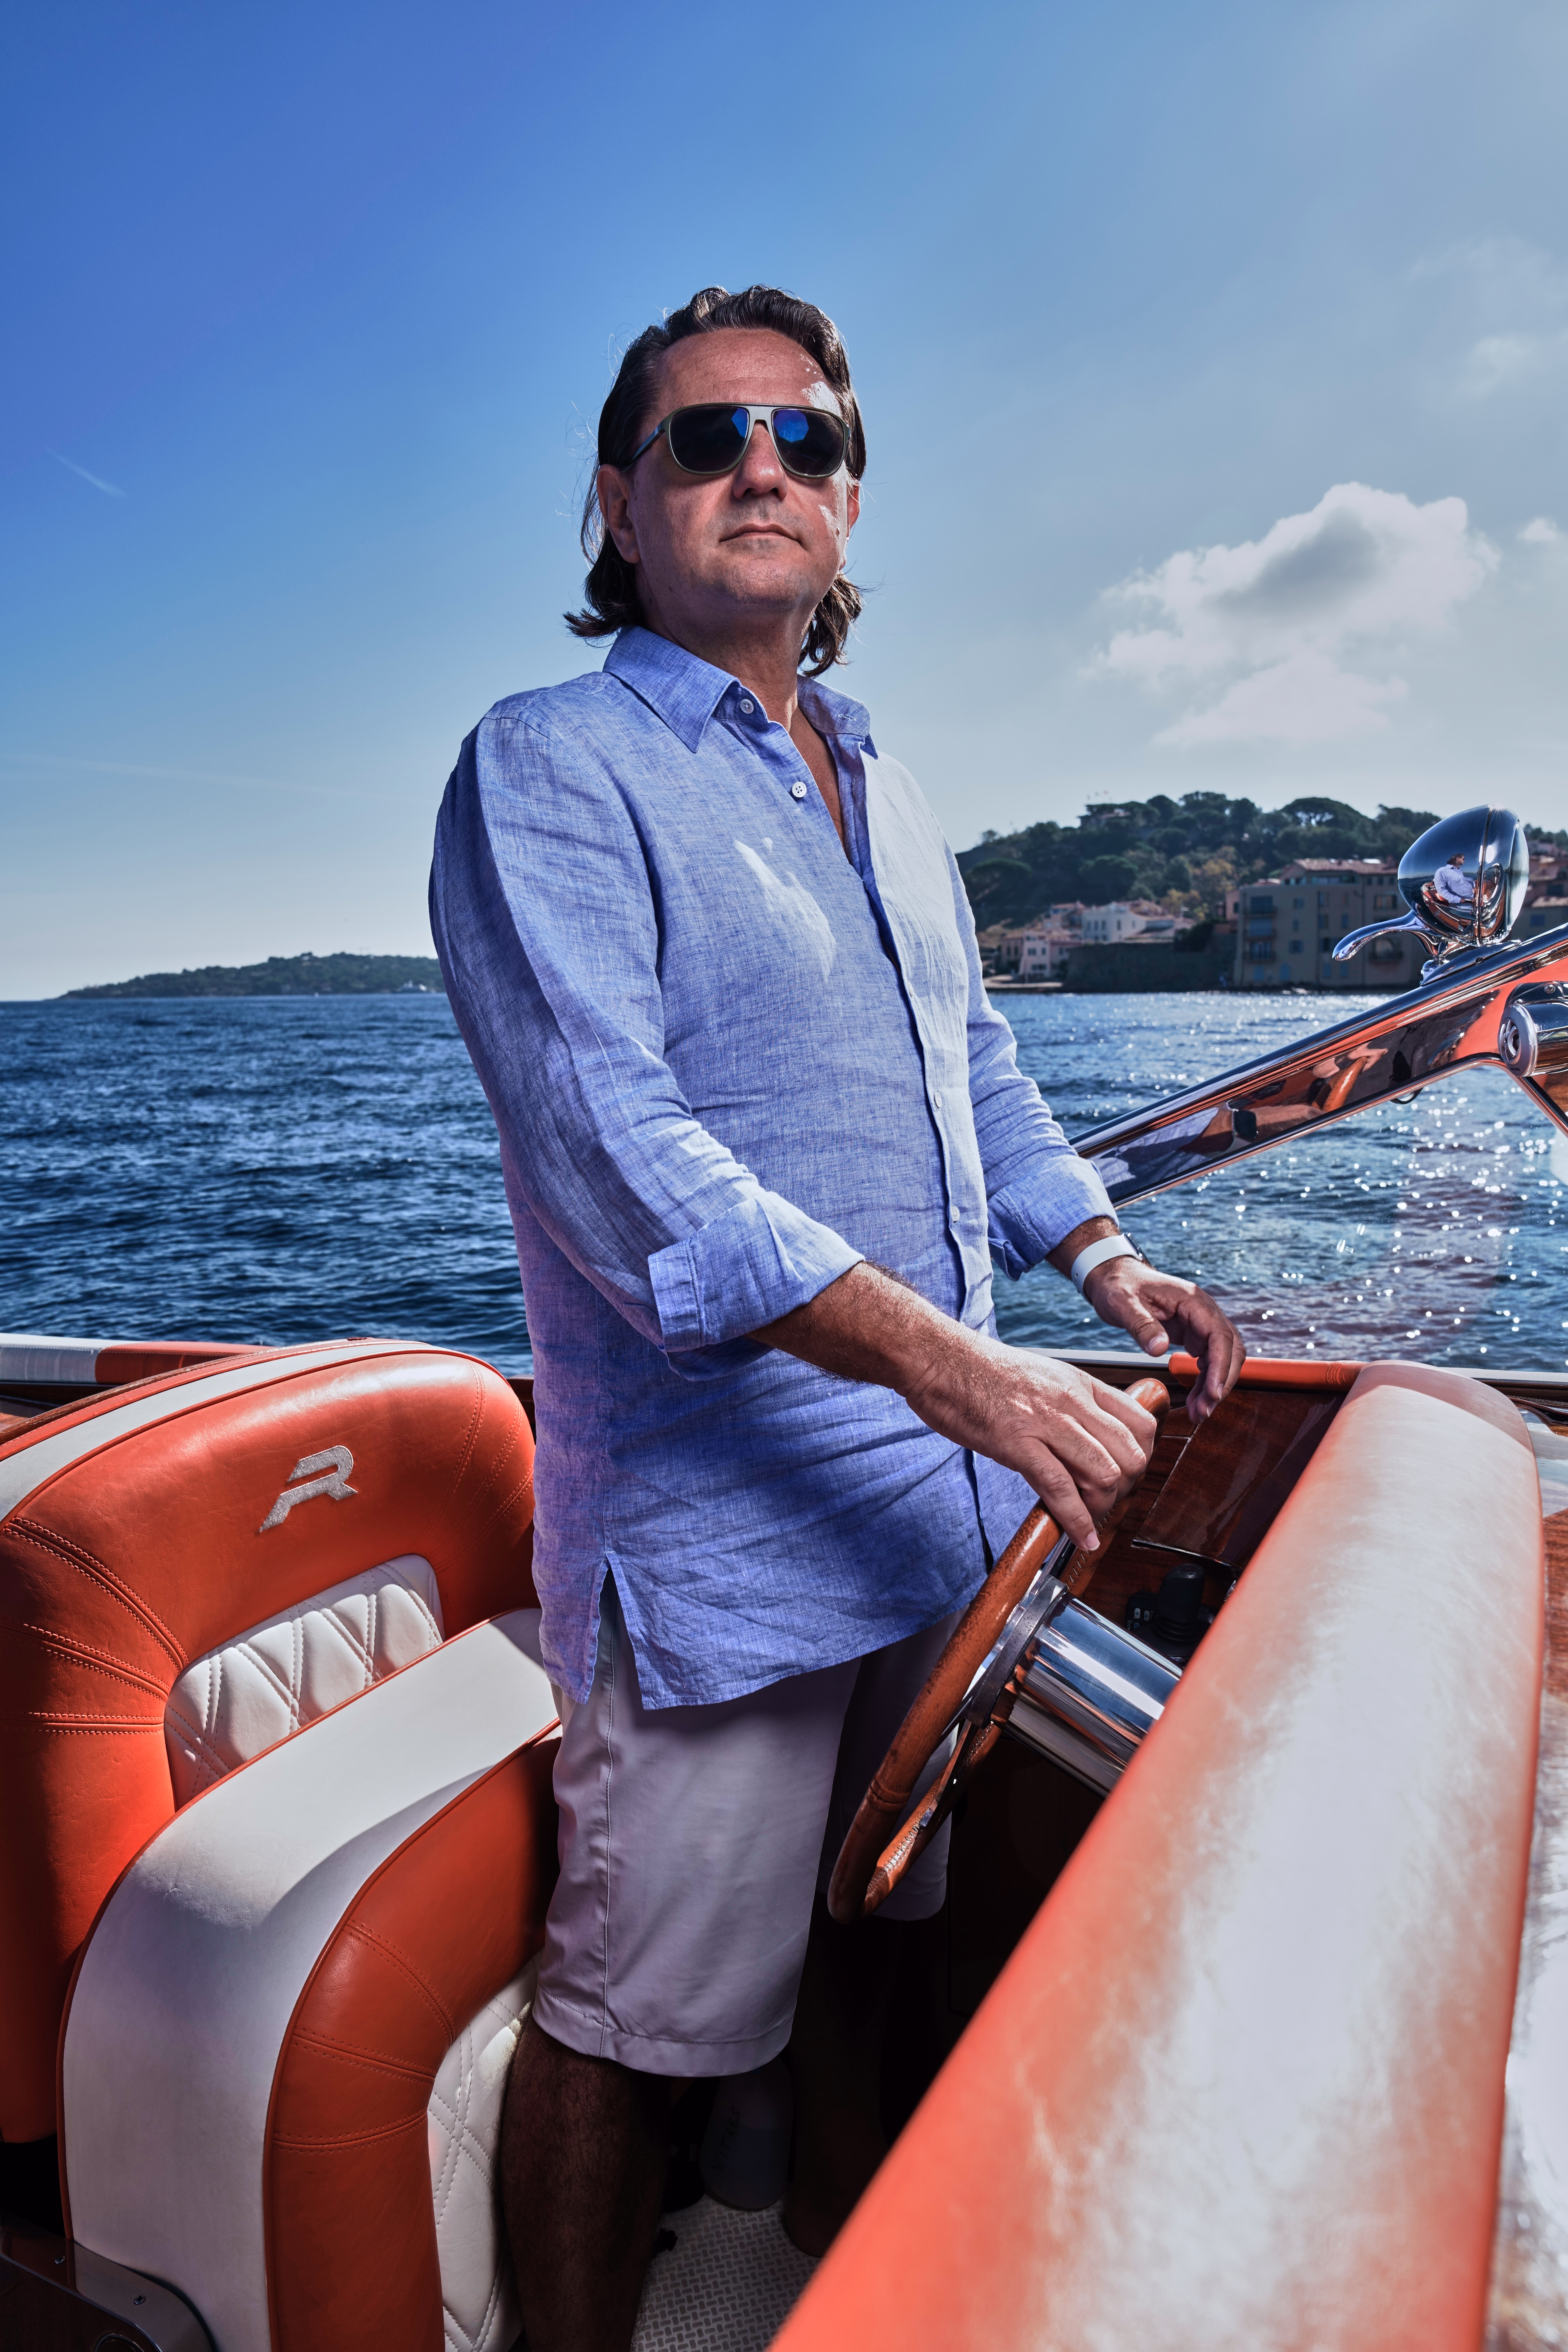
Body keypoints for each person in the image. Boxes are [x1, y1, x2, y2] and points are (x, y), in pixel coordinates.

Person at [429, 283, 1245, 2352]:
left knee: (898, 1901)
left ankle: (842, 2283)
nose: (760, 468)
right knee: (639, 2017)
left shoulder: (884, 785)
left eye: (804, 437)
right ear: (620, 504)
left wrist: (1104, 1266)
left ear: (853, 505)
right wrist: (977, 1372)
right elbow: (625, 1160)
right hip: (718, 1542)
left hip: (938, 1500)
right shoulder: (547, 767)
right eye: (705, 441)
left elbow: (975, 1077)